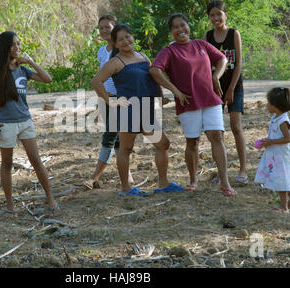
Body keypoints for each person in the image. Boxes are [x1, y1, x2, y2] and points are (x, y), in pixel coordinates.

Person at [91, 24, 184, 196]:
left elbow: (154, 77)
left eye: (128, 36)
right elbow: (96, 81)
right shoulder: (115, 62)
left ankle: (163, 183)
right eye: (120, 39)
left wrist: (160, 96)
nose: (126, 41)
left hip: (146, 109)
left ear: (133, 37)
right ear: (116, 44)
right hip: (128, 110)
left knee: (163, 144)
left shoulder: (143, 57)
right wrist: (110, 100)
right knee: (126, 149)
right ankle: (126, 188)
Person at [150, 13, 237, 197]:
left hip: (210, 99)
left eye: (183, 25)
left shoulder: (201, 44)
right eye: (176, 27)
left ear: (188, 26)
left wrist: (216, 77)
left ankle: (225, 182)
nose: (181, 30)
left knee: (217, 136)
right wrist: (175, 91)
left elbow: (222, 59)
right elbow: (155, 70)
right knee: (193, 142)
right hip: (187, 102)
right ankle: (193, 180)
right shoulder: (169, 51)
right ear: (171, 32)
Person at [0, 31, 58, 215]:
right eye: (13, 45)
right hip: (5, 124)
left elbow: (47, 79)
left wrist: (31, 62)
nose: (17, 48)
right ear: (5, 48)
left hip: (25, 121)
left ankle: (51, 200)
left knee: (36, 160)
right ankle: (10, 206)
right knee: (7, 164)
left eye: (18, 44)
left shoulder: (23, 70)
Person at [83, 14, 135, 190]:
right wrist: (100, 102)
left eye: (108, 27)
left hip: (120, 99)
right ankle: (127, 175)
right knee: (117, 139)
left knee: (110, 137)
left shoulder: (122, 50)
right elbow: (100, 78)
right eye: (101, 28)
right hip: (106, 98)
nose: (105, 30)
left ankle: (94, 177)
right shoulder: (101, 52)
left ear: (116, 28)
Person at [204, 0, 248, 185]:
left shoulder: (233, 33)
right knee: (217, 132)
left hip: (234, 86)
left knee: (236, 126)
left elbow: (238, 63)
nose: (216, 18)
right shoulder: (208, 36)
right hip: (216, 88)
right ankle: (222, 172)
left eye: (219, 14)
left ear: (225, 15)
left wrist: (230, 89)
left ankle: (243, 169)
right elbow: (207, 64)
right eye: (212, 15)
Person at [254, 87, 290, 213]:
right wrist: (267, 140)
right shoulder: (275, 117)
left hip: (281, 156)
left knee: (281, 179)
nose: (267, 105)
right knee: (279, 178)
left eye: (268, 103)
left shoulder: (283, 121)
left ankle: (284, 207)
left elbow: (288, 139)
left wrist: (271, 142)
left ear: (275, 106)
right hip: (274, 155)